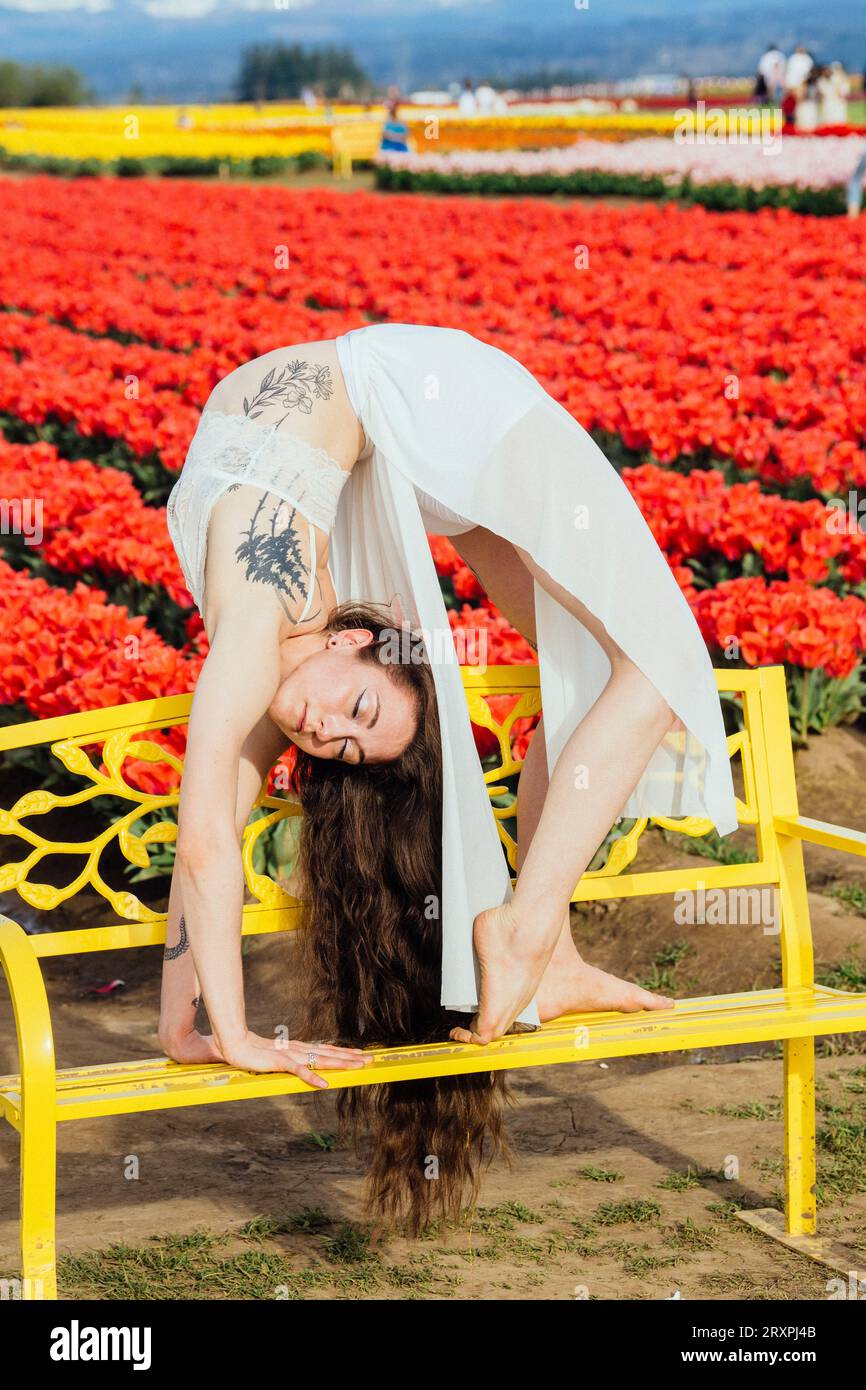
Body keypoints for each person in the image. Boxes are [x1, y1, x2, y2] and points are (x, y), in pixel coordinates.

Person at [162, 325, 738, 1227]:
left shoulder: (260, 645)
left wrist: (201, 1024)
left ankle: (546, 945)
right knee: (649, 669)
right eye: (350, 728)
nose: (320, 728)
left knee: (627, 672)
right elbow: (205, 845)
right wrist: (208, 1030)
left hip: (401, 413)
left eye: (349, 729)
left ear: (358, 637)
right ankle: (530, 934)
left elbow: (205, 842)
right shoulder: (272, 657)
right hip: (399, 413)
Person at [818, 60, 850, 126]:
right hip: (830, 100)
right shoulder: (828, 79)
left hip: (839, 100)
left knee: (840, 115)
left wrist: (841, 92)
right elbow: (825, 90)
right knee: (829, 115)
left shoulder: (843, 78)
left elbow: (845, 89)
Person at [796, 64, 821, 132]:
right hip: (805, 104)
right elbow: (800, 94)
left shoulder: (815, 82)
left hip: (812, 103)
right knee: (805, 121)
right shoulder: (805, 82)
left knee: (811, 120)